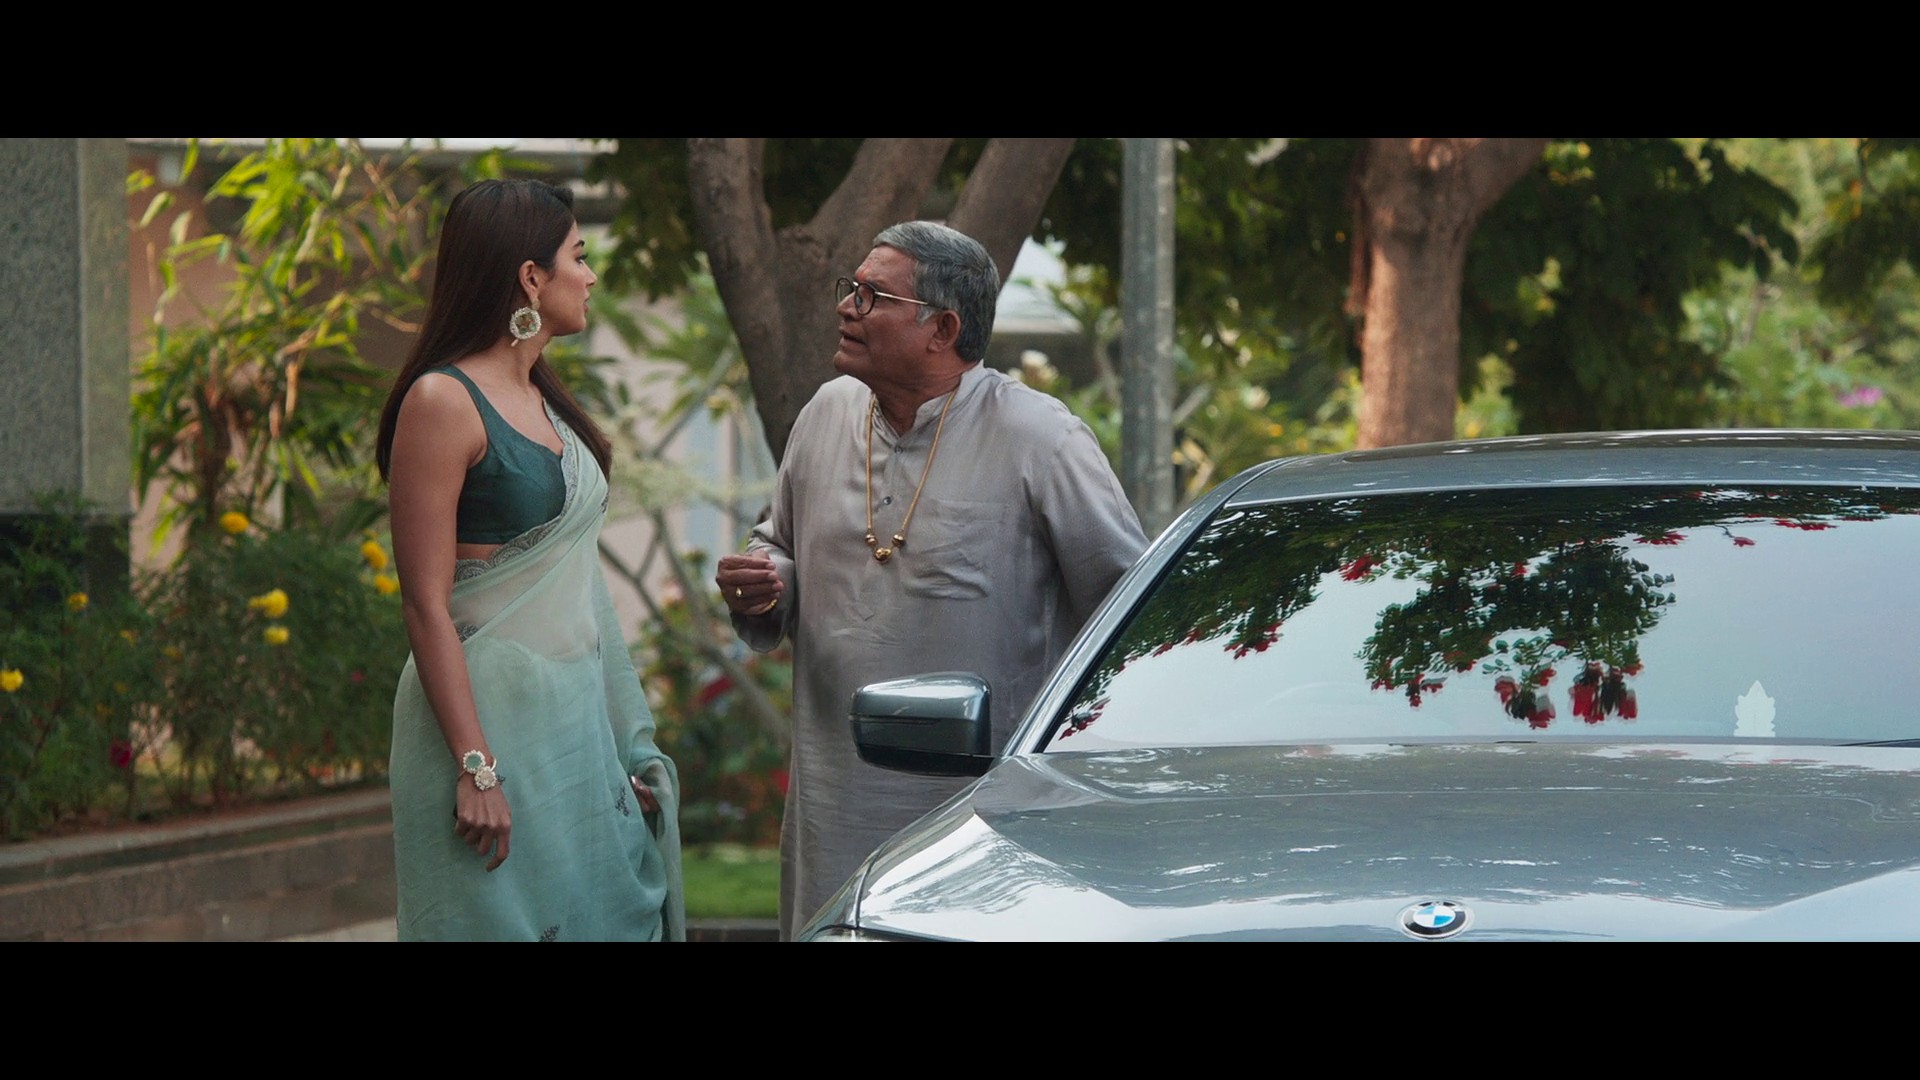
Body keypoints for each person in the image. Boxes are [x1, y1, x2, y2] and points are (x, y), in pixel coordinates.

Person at [716, 220, 1149, 939]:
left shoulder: (1041, 437)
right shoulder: (825, 414)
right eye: (851, 289)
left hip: (982, 818)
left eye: (872, 295)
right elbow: (780, 542)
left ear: (942, 329)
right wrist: (767, 581)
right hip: (837, 801)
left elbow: (1128, 614)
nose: (846, 307)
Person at [375, 178, 684, 941]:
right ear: (530, 277)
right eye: (579, 256)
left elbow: (577, 598)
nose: (591, 275)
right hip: (484, 733)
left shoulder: (545, 400)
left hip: (568, 732)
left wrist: (615, 752)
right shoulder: (442, 401)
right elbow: (425, 603)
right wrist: (476, 767)